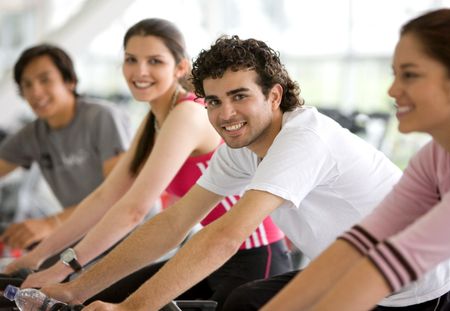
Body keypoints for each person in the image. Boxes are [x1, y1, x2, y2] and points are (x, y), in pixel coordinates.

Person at [38, 35, 403, 311]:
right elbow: (175, 221)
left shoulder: (304, 138)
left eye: (240, 96)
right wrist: (75, 289)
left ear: (274, 96)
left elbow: (225, 236)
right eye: (213, 101)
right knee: (246, 302)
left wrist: (131, 309)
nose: (225, 114)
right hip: (346, 271)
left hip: (405, 291)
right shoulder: (241, 148)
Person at [5, 19, 291, 309]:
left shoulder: (188, 114)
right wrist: (36, 257)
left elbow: (134, 210)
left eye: (154, 61)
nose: (140, 71)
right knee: (91, 297)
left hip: (253, 258)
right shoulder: (154, 120)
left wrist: (63, 269)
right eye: (131, 60)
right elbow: (105, 197)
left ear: (179, 68)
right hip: (205, 255)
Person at [261, 8, 450, 311]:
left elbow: (390, 264)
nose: (392, 90)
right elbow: (359, 244)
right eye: (395, 74)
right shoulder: (433, 157)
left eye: (410, 75)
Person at [0, 44, 130, 250]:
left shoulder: (102, 117)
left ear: (69, 81)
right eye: (27, 85)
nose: (35, 92)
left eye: (45, 80)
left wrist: (52, 223)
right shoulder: (32, 135)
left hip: (131, 235)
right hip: (85, 239)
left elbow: (119, 195)